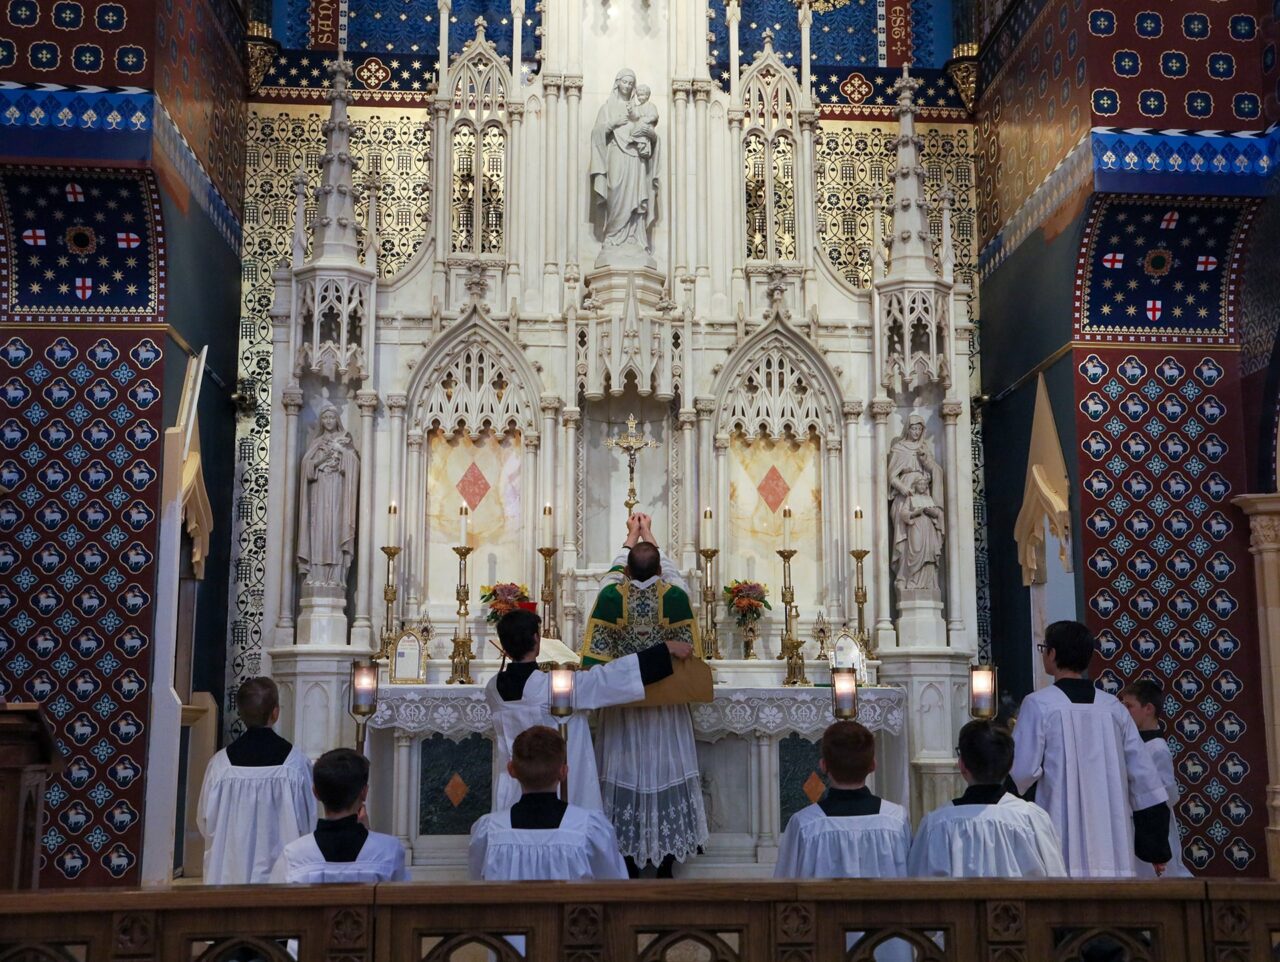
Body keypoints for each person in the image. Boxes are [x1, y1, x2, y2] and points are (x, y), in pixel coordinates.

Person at [584, 513, 709, 878]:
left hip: (624, 707)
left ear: (626, 570)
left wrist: (629, 539)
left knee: (624, 775)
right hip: (666, 709)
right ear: (658, 566)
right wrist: (650, 536)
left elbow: (610, 578)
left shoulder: (610, 595)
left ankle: (626, 859)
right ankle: (666, 861)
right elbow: (673, 576)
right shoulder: (674, 596)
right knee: (665, 773)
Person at [488, 607, 692, 812]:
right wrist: (665, 649)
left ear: (503, 645)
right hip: (558, 789)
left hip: (515, 790)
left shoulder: (493, 688)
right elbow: (610, 677)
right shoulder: (555, 687)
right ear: (536, 639)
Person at [1009, 621, 1170, 878]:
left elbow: (1020, 773)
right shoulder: (1113, 709)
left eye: (1044, 648)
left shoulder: (1039, 705)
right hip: (1111, 838)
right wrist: (1156, 848)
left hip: (1058, 831)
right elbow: (1145, 780)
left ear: (1052, 654)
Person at [909, 720, 1066, 878]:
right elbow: (1057, 885)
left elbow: (915, 888)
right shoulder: (1032, 820)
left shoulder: (936, 825)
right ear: (1010, 765)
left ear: (962, 765)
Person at [469, 726, 629, 881]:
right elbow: (614, 887)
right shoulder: (589, 830)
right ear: (563, 772)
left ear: (511, 770)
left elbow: (477, 886)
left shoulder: (490, 832)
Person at [197, 677, 315, 884]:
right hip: (283, 878)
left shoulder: (220, 766)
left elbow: (205, 822)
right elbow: (308, 823)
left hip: (229, 874)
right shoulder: (295, 765)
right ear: (275, 713)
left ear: (240, 714)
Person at [774, 721, 911, 879]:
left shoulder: (805, 824)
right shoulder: (895, 820)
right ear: (873, 765)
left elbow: (784, 886)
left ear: (823, 766)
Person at [270, 748, 407, 883]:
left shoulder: (294, 855)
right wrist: (368, 833)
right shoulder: (389, 851)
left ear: (315, 792)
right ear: (364, 792)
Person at [1120, 679, 1191, 878]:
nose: (1124, 711)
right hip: (1137, 821)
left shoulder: (1157, 748)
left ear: (1148, 708)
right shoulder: (1133, 743)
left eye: (1129, 706)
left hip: (1154, 823)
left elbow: (1168, 794)